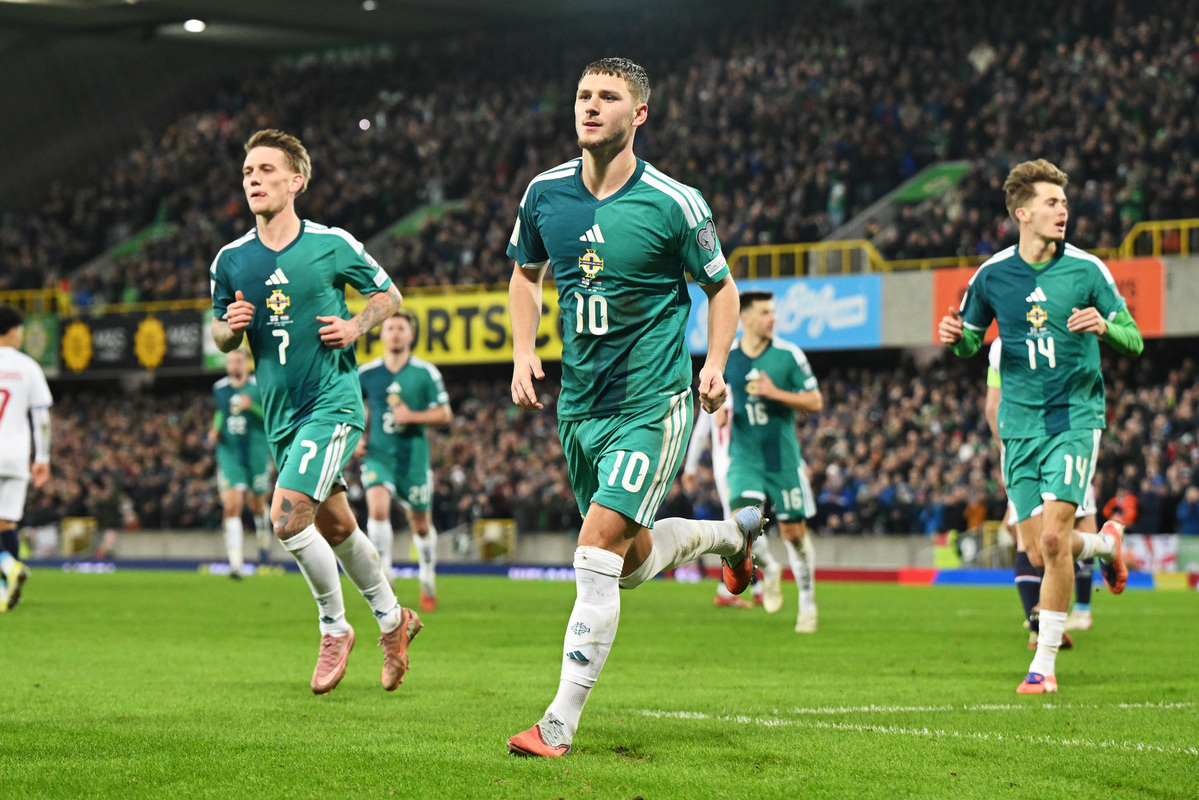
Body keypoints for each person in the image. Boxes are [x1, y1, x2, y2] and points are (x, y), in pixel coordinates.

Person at [506, 57, 764, 757]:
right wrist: (523, 348)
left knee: (592, 549)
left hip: (651, 402)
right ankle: (730, 537)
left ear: (638, 115)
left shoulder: (673, 202)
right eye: (584, 94)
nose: (590, 106)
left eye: (607, 97)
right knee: (622, 560)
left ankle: (556, 724)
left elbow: (722, 289)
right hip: (579, 406)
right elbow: (525, 275)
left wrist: (713, 364)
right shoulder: (544, 194)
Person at [210, 128, 420, 695]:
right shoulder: (231, 260)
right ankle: (394, 619)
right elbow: (219, 333)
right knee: (335, 525)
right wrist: (228, 331)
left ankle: (334, 628)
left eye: (266, 170)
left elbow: (389, 296)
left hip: (332, 403)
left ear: (296, 181)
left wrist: (355, 326)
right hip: (281, 415)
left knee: (285, 517)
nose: (253, 179)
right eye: (248, 171)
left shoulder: (331, 243)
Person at [939, 158, 1143, 695]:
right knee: (1035, 550)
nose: (1063, 211)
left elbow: (1135, 337)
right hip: (1019, 425)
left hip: (1075, 418)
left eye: (1065, 203)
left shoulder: (1087, 270)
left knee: (1054, 538)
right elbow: (969, 341)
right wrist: (953, 335)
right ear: (1021, 212)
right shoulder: (992, 276)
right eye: (1052, 203)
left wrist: (1107, 326)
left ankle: (1043, 667)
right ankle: (1104, 546)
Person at [725, 290, 823, 633]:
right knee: (740, 524)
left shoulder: (787, 355)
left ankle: (807, 601)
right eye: (766, 312)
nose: (773, 318)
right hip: (744, 458)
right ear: (746, 319)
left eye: (773, 311)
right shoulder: (728, 355)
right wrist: (713, 408)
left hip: (782, 460)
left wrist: (775, 393)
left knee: (794, 534)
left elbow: (815, 401)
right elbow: (714, 396)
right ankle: (767, 567)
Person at [985, 338, 1091, 645]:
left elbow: (993, 408)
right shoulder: (1060, 327)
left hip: (1019, 447)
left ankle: (1041, 628)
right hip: (1063, 442)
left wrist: (1006, 452)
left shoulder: (1001, 345)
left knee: (1029, 542)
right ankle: (1102, 555)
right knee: (1070, 530)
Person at [356, 309, 452, 611]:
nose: (395, 333)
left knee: (420, 525)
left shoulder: (425, 373)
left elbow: (445, 414)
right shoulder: (367, 373)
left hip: (413, 460)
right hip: (377, 455)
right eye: (390, 328)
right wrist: (357, 436)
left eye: (401, 328)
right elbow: (353, 407)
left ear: (410, 335)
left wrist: (413, 416)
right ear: (382, 335)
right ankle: (385, 574)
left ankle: (427, 576)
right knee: (378, 509)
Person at [681, 404, 784, 612]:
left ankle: (739, 589)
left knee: (740, 531)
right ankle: (768, 570)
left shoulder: (712, 390)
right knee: (747, 529)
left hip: (726, 469)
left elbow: (701, 432)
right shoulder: (745, 390)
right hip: (746, 468)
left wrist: (690, 468)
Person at [0, 305, 52, 612]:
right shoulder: (28, 366)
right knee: (6, 523)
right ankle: (6, 591)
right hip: (17, 456)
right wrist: (42, 457)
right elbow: (42, 417)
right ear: (15, 331)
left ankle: (8, 567)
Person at [209, 347, 273, 578]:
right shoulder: (220, 389)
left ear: (247, 364)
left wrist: (252, 407)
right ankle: (236, 563)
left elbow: (272, 418)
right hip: (229, 454)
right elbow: (220, 413)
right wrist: (215, 430)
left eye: (239, 361)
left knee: (257, 505)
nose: (235, 365)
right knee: (232, 505)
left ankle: (264, 537)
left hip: (256, 454)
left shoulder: (260, 387)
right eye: (231, 361)